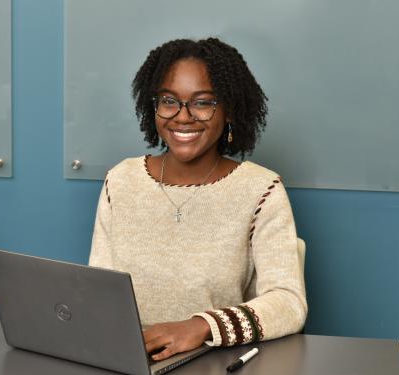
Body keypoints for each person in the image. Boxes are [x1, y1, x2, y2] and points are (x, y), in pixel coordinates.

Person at [89, 37, 307, 361]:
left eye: (202, 102)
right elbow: (98, 289)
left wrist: (202, 326)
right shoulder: (120, 180)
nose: (182, 117)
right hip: (128, 360)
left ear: (229, 108)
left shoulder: (262, 190)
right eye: (169, 101)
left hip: (213, 362)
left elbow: (289, 302)